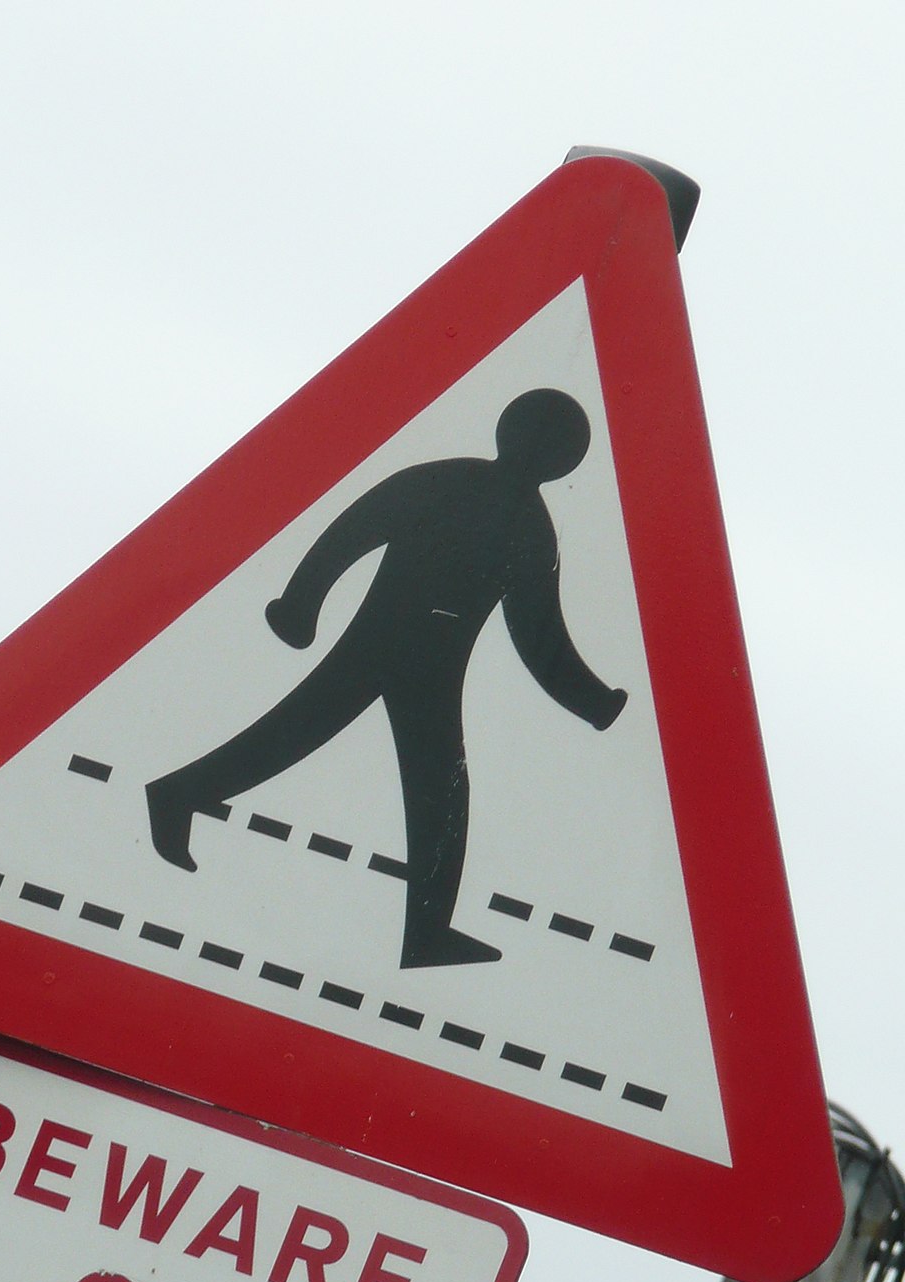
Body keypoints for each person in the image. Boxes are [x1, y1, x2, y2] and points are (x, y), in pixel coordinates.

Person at [147, 387, 627, 969]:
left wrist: (593, 701)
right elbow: (357, 532)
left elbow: (538, 634)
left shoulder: (510, 517)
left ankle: (427, 934)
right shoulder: (508, 515)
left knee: (428, 784)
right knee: (317, 746)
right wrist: (300, 605)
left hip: (427, 668)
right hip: (384, 647)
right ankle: (177, 796)